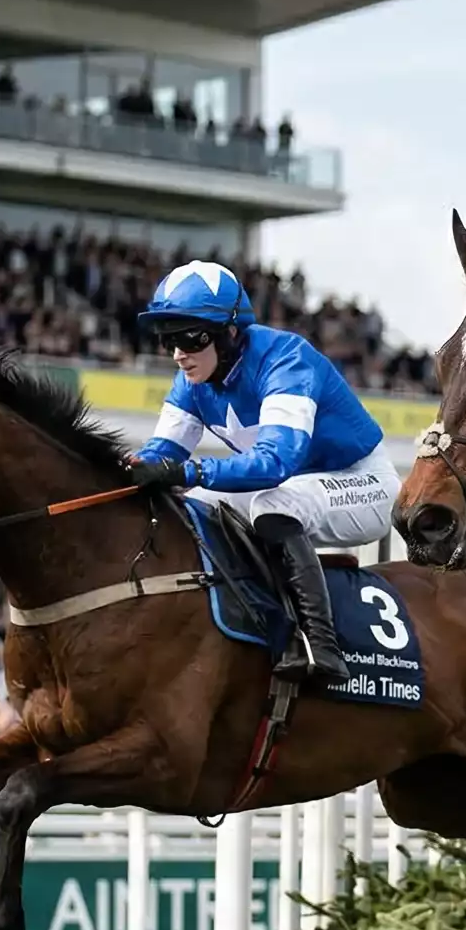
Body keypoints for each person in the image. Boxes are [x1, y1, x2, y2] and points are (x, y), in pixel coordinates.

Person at [125, 260, 401, 684]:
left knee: (274, 503)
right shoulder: (192, 379)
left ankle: (319, 644)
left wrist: (186, 470)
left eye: (189, 338)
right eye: (168, 340)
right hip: (292, 486)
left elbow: (275, 464)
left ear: (230, 332)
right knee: (192, 506)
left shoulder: (286, 360)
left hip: (363, 484)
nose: (179, 354)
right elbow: (160, 453)